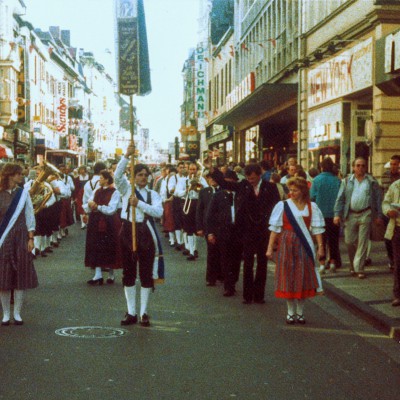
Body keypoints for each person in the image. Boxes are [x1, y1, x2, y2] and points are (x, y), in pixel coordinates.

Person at [209, 161, 280, 304]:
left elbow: (276, 208)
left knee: (262, 263)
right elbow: (224, 184)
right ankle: (248, 296)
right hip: (247, 230)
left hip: (264, 231)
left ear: (260, 175)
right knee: (248, 263)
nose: (250, 181)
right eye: (248, 178)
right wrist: (213, 170)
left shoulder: (271, 188)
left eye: (253, 178)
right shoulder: (243, 185)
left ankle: (259, 295)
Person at [114, 143, 164, 327]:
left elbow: (158, 213)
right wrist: (126, 156)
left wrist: (139, 204)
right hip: (128, 230)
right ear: (134, 177)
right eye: (139, 175)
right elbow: (117, 176)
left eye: (145, 175)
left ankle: (143, 312)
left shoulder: (153, 194)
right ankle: (131, 312)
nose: (143, 178)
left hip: (145, 233)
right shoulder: (127, 189)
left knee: (145, 273)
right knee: (128, 273)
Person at [266, 177, 325, 324]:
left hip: (304, 245)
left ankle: (300, 312)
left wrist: (321, 247)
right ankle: (290, 312)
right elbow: (274, 229)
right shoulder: (283, 205)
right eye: (290, 190)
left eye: (295, 190)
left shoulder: (312, 207)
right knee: (288, 278)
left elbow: (317, 229)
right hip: (286, 244)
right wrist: (269, 248)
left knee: (302, 277)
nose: (291, 192)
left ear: (303, 191)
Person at [0, 163, 38, 325]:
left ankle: (17, 314)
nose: (22, 177)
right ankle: (6, 314)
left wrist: (31, 238)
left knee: (20, 275)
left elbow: (30, 214)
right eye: (19, 174)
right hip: (4, 237)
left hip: (21, 236)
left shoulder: (23, 194)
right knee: (4, 277)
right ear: (10, 175)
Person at [333, 157, 383, 279]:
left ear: (366, 167)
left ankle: (360, 269)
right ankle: (353, 265)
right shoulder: (346, 181)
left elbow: (378, 199)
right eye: (358, 165)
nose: (360, 168)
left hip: (366, 213)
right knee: (349, 242)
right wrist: (336, 214)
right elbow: (340, 198)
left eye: (363, 165)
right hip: (350, 214)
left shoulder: (371, 181)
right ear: (353, 167)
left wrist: (378, 216)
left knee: (362, 242)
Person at [206, 170, 242, 297]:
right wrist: (210, 233)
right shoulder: (218, 196)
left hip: (238, 231)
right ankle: (228, 286)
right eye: (227, 182)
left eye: (232, 182)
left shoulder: (240, 194)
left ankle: (233, 280)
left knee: (236, 260)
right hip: (223, 231)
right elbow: (210, 216)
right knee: (225, 259)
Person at [84, 170, 122, 285]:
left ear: (106, 179)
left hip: (109, 222)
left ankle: (111, 274)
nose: (99, 179)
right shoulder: (97, 190)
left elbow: (111, 209)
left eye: (101, 178)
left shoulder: (115, 192)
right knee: (95, 246)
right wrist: (90, 205)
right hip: (95, 221)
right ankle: (98, 274)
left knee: (109, 247)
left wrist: (98, 207)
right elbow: (89, 201)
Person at [310, 157, 341, 274]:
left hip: (320, 215)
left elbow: (311, 197)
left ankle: (322, 263)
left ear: (321, 167)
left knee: (321, 241)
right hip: (334, 215)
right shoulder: (337, 180)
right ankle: (333, 262)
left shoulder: (316, 180)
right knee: (333, 241)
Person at [175, 162, 208, 261]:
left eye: (194, 169)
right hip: (187, 203)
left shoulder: (201, 179)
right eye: (191, 169)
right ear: (187, 170)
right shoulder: (183, 180)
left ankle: (194, 250)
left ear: (197, 170)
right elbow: (177, 193)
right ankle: (191, 250)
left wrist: (199, 186)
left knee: (196, 228)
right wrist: (186, 190)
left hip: (197, 203)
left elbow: (207, 190)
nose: (192, 171)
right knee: (188, 228)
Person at [196, 172, 221, 286]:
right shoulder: (204, 192)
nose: (213, 180)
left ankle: (221, 275)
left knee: (222, 252)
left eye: (215, 178)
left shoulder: (224, 191)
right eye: (211, 178)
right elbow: (199, 210)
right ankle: (211, 278)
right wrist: (200, 227)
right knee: (211, 252)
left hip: (221, 226)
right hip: (209, 226)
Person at [382, 178, 400, 306]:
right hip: (397, 228)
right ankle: (398, 294)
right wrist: (388, 211)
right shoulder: (396, 185)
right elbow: (386, 202)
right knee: (398, 262)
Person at [381, 155, 400, 270]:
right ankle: (392, 259)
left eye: (395, 164)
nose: (393, 166)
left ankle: (396, 260)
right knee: (388, 238)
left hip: (398, 212)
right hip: (388, 211)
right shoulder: (385, 176)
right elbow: (382, 193)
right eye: (391, 164)